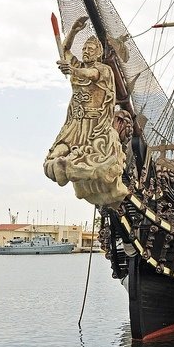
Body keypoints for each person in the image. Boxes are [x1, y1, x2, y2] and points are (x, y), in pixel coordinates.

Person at [44, 16, 128, 208]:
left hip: (95, 124)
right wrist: (73, 31)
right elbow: (64, 50)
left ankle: (80, 170)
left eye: (90, 49)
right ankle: (58, 164)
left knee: (96, 155)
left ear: (98, 53)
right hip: (76, 122)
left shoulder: (103, 69)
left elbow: (91, 75)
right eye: (84, 49)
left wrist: (71, 69)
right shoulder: (79, 66)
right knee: (58, 150)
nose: (86, 52)